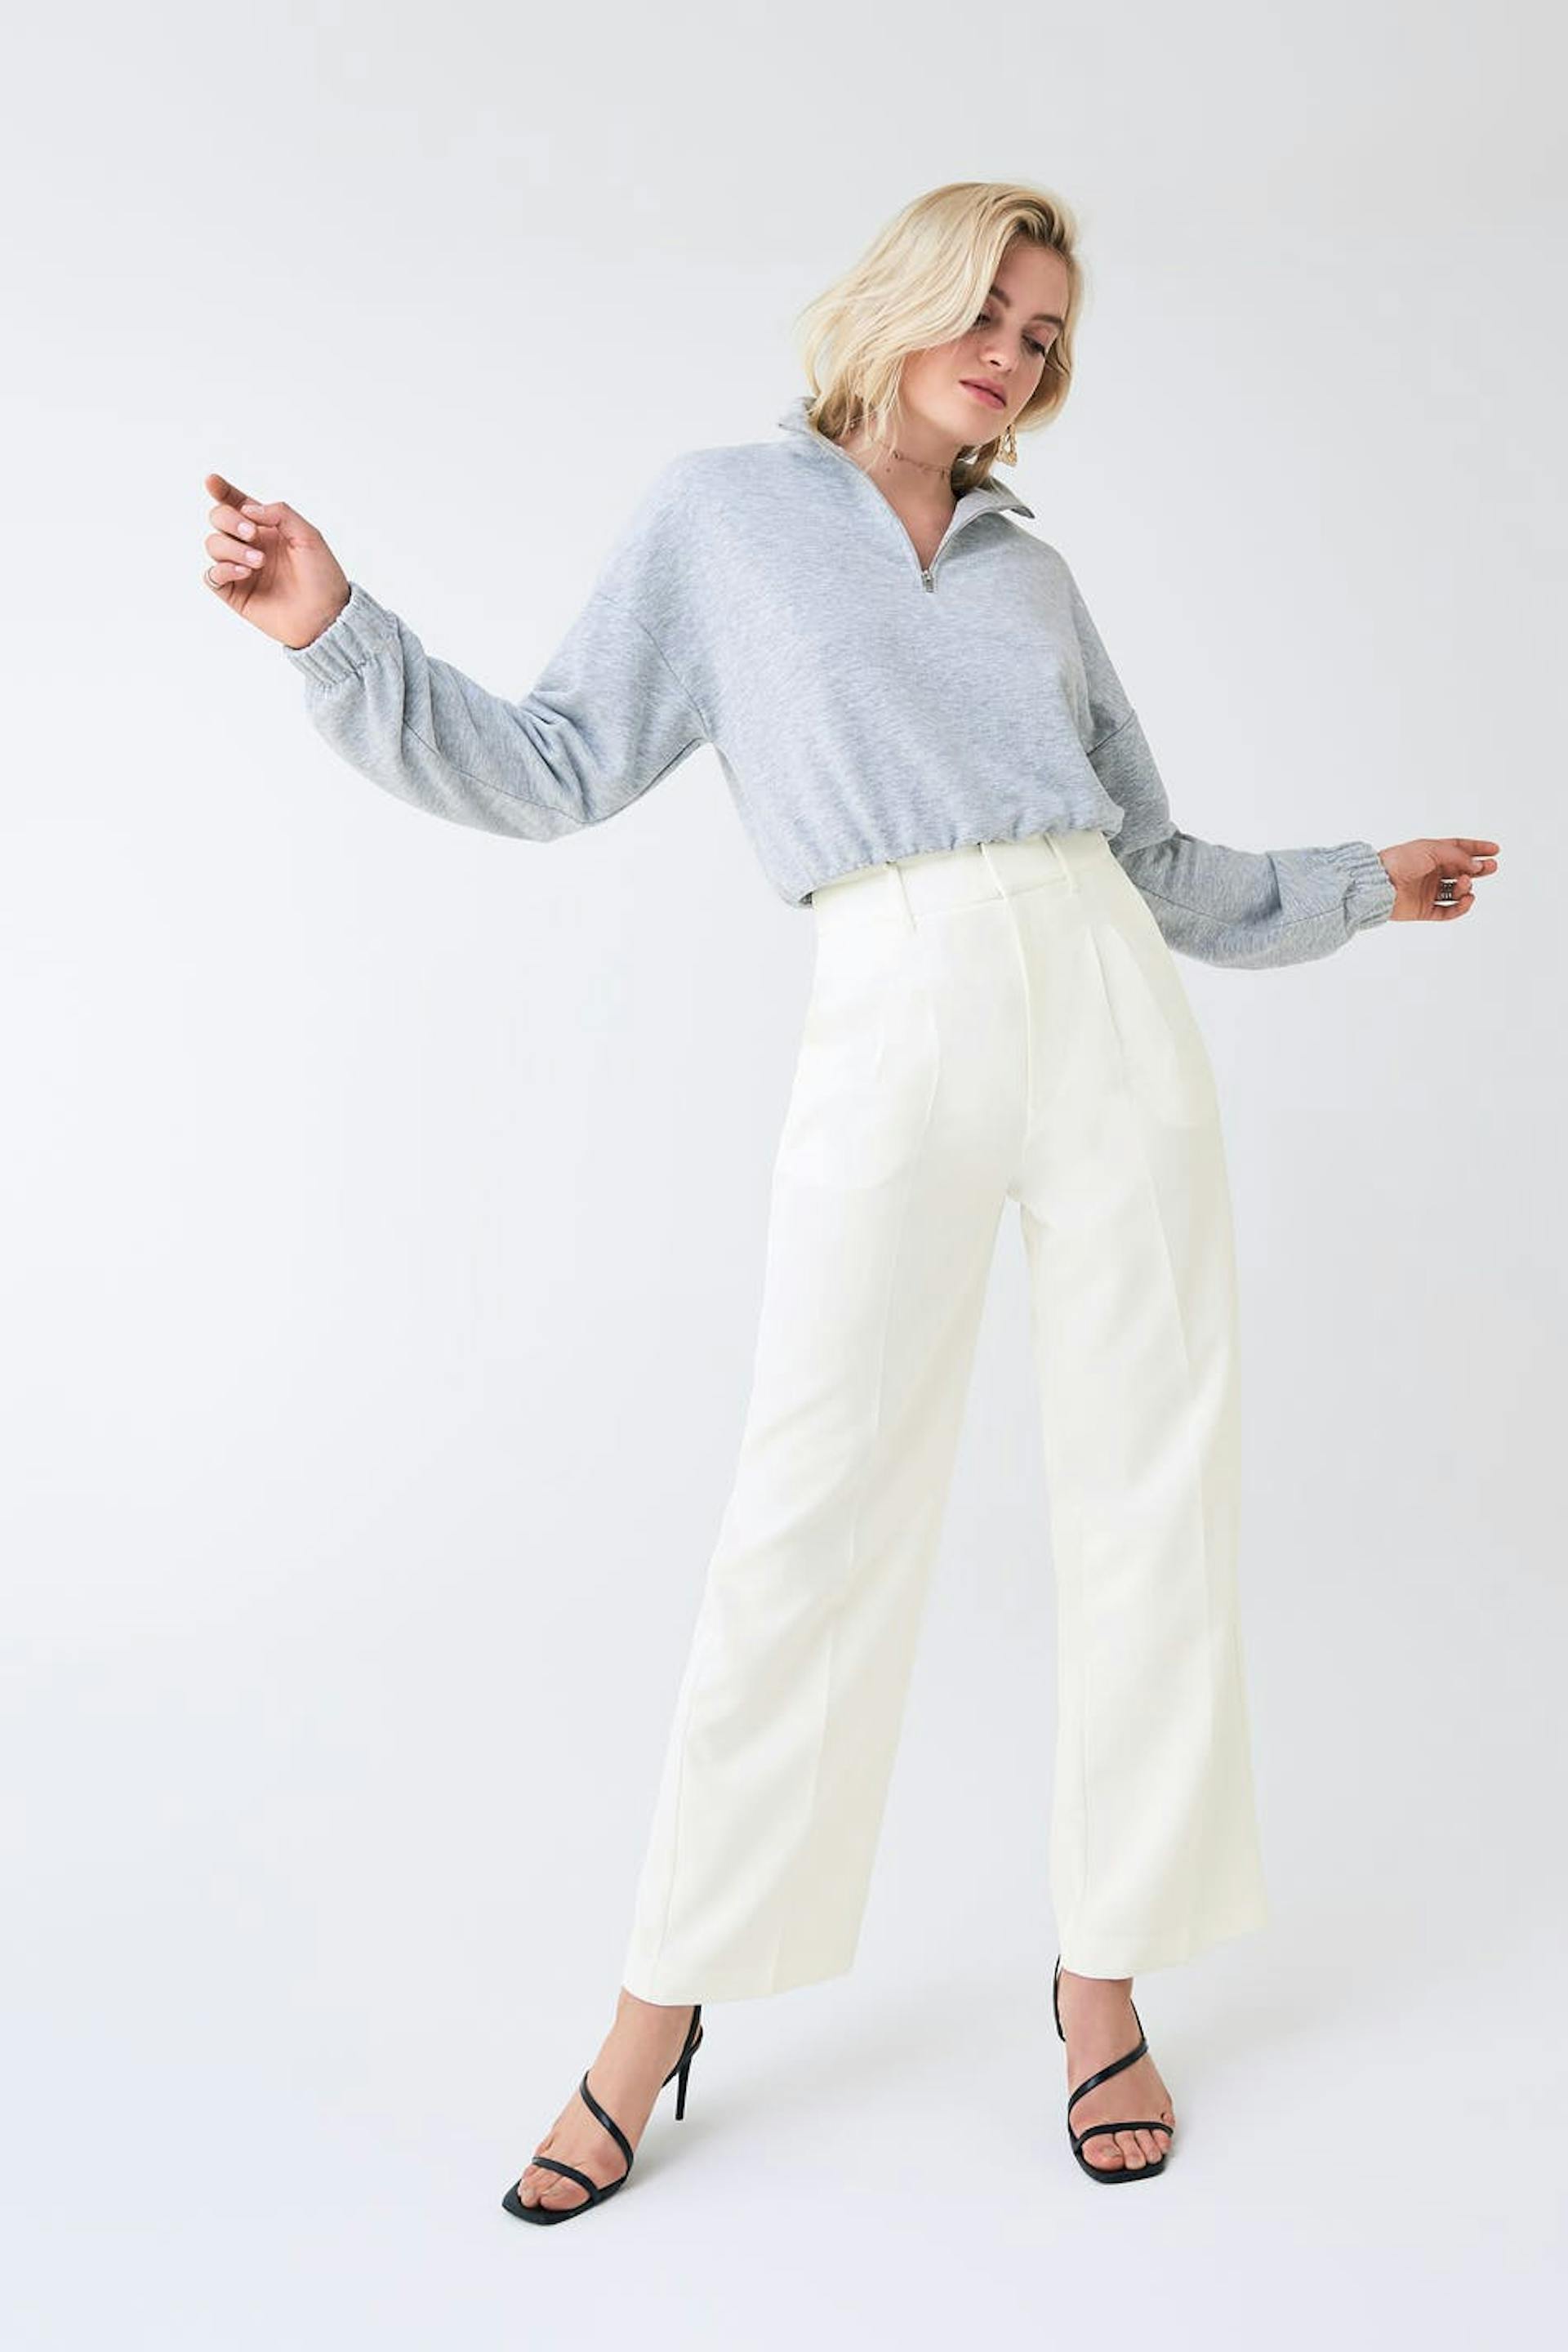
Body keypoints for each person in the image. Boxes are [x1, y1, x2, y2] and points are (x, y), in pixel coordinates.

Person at [201, 179, 1499, 2214]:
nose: (1012, 354)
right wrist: (334, 635)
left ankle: (1102, 1980)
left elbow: (1152, 863)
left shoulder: (1031, 576)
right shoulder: (724, 517)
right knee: (809, 1516)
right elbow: (553, 763)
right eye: (989, 307)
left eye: (1044, 336)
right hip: (892, 1004)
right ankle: (655, 2014)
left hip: (1106, 1008)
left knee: (1151, 1497)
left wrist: (1360, 886)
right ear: (900, 298)